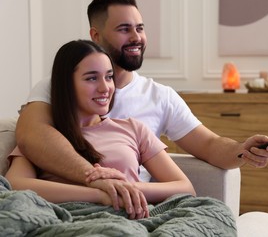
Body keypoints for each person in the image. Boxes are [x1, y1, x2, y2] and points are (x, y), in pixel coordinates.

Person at [16, 0, 268, 205]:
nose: (136, 37)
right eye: (124, 29)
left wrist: (242, 150)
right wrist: (99, 182)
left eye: (140, 28)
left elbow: (209, 145)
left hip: (134, 207)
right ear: (96, 35)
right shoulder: (56, 86)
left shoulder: (158, 99)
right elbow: (31, 137)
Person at [6, 40, 195, 220]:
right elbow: (15, 185)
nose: (105, 88)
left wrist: (124, 188)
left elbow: (185, 188)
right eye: (92, 78)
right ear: (67, 84)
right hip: (72, 219)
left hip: (134, 217)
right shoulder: (44, 138)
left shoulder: (133, 128)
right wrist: (99, 194)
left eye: (109, 77)